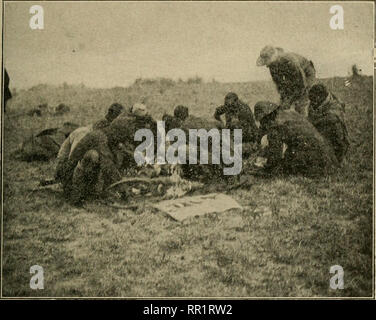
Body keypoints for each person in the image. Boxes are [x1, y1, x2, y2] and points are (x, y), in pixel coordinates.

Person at [254, 101, 338, 177]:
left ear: (266, 118)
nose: (262, 124)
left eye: (262, 121)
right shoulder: (289, 113)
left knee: (285, 164)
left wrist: (265, 167)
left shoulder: (276, 126)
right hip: (327, 156)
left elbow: (275, 155)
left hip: (315, 161)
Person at [256, 46, 316, 116]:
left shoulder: (289, 60)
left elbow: (301, 83)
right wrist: (284, 99)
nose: (266, 65)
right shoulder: (272, 65)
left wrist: (293, 98)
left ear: (272, 58)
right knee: (284, 105)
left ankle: (304, 120)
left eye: (266, 61)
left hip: (306, 74)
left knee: (301, 104)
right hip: (291, 77)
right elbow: (279, 83)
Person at [308, 84, 349, 163]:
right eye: (311, 100)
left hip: (336, 145)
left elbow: (331, 118)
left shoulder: (335, 106)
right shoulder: (316, 103)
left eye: (315, 100)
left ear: (321, 97)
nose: (312, 103)